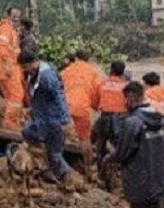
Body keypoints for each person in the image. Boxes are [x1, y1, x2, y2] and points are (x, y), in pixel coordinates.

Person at [18, 50, 76, 185]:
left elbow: (58, 96)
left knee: (55, 154)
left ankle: (68, 179)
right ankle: (45, 168)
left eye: (26, 67)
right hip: (41, 118)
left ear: (33, 62)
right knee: (28, 132)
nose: (26, 70)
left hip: (52, 119)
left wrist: (64, 119)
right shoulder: (34, 75)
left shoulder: (46, 77)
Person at [60, 49, 101, 182]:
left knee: (58, 134)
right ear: (88, 59)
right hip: (81, 106)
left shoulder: (66, 71)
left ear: (76, 58)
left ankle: (56, 165)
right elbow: (96, 93)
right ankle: (89, 170)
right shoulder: (93, 72)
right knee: (84, 139)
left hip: (64, 105)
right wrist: (94, 106)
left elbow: (58, 88)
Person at [93, 61, 129, 188]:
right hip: (121, 118)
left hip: (105, 116)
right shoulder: (126, 86)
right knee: (119, 146)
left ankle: (100, 174)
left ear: (111, 70)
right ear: (123, 72)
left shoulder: (102, 83)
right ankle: (118, 172)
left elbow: (95, 102)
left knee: (100, 144)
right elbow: (129, 104)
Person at [0, 7, 25, 130]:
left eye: (18, 17)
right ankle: (10, 122)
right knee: (16, 95)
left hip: (8, 67)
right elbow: (2, 48)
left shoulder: (10, 30)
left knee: (12, 96)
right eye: (14, 16)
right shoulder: (5, 29)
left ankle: (11, 120)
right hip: (7, 67)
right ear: (7, 15)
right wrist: (7, 66)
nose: (16, 19)